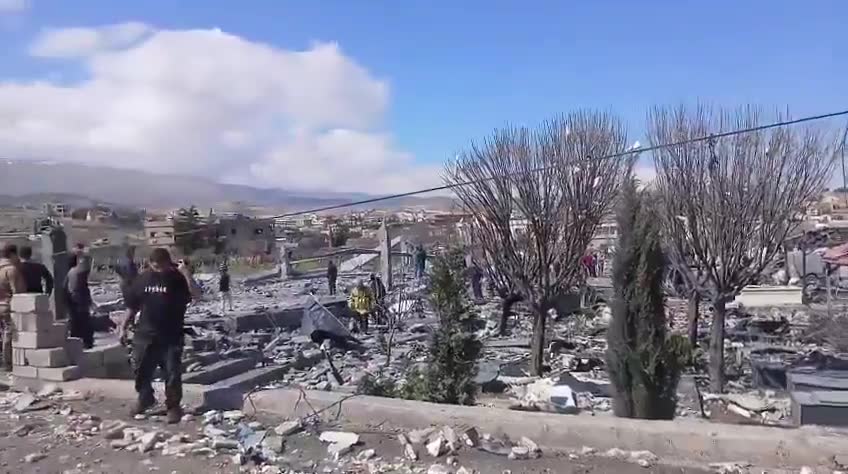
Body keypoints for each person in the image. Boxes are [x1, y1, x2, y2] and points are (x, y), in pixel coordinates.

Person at [123, 248, 191, 423]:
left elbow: (197, 295)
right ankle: (145, 398)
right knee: (140, 369)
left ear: (169, 263)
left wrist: (186, 274)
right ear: (150, 264)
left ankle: (173, 406)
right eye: (155, 266)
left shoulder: (178, 279)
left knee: (172, 372)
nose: (159, 269)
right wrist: (122, 327)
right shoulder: (143, 279)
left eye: (161, 266)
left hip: (171, 335)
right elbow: (132, 306)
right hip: (144, 334)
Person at [0, 243, 26, 371]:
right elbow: (18, 292)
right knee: (8, 335)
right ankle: (8, 363)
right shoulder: (11, 270)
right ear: (12, 254)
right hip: (7, 306)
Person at [65, 253, 96, 349]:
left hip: (74, 302)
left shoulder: (69, 273)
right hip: (79, 302)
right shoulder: (77, 272)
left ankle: (78, 343)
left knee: (77, 324)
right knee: (84, 323)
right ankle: (87, 342)